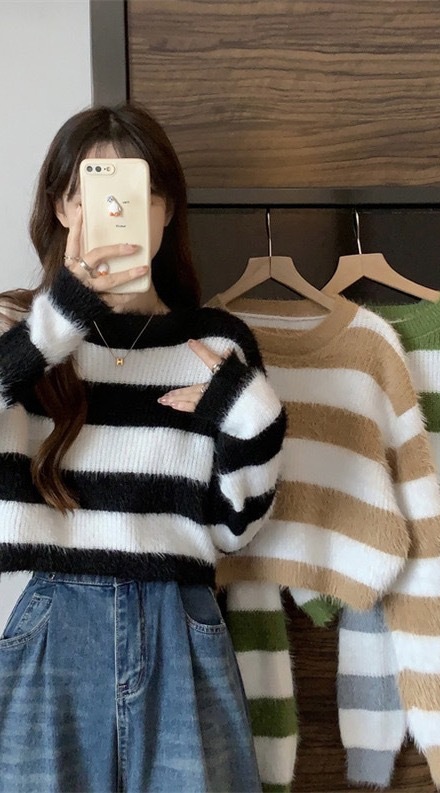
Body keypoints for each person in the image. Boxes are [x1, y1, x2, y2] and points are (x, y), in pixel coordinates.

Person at [0, 104, 286, 792]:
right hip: (52, 624)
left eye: (138, 191)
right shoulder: (19, 329)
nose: (117, 210)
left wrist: (252, 413)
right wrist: (61, 319)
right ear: (64, 207)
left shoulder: (215, 344)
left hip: (180, 621)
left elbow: (237, 530)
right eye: (93, 190)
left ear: (165, 210)